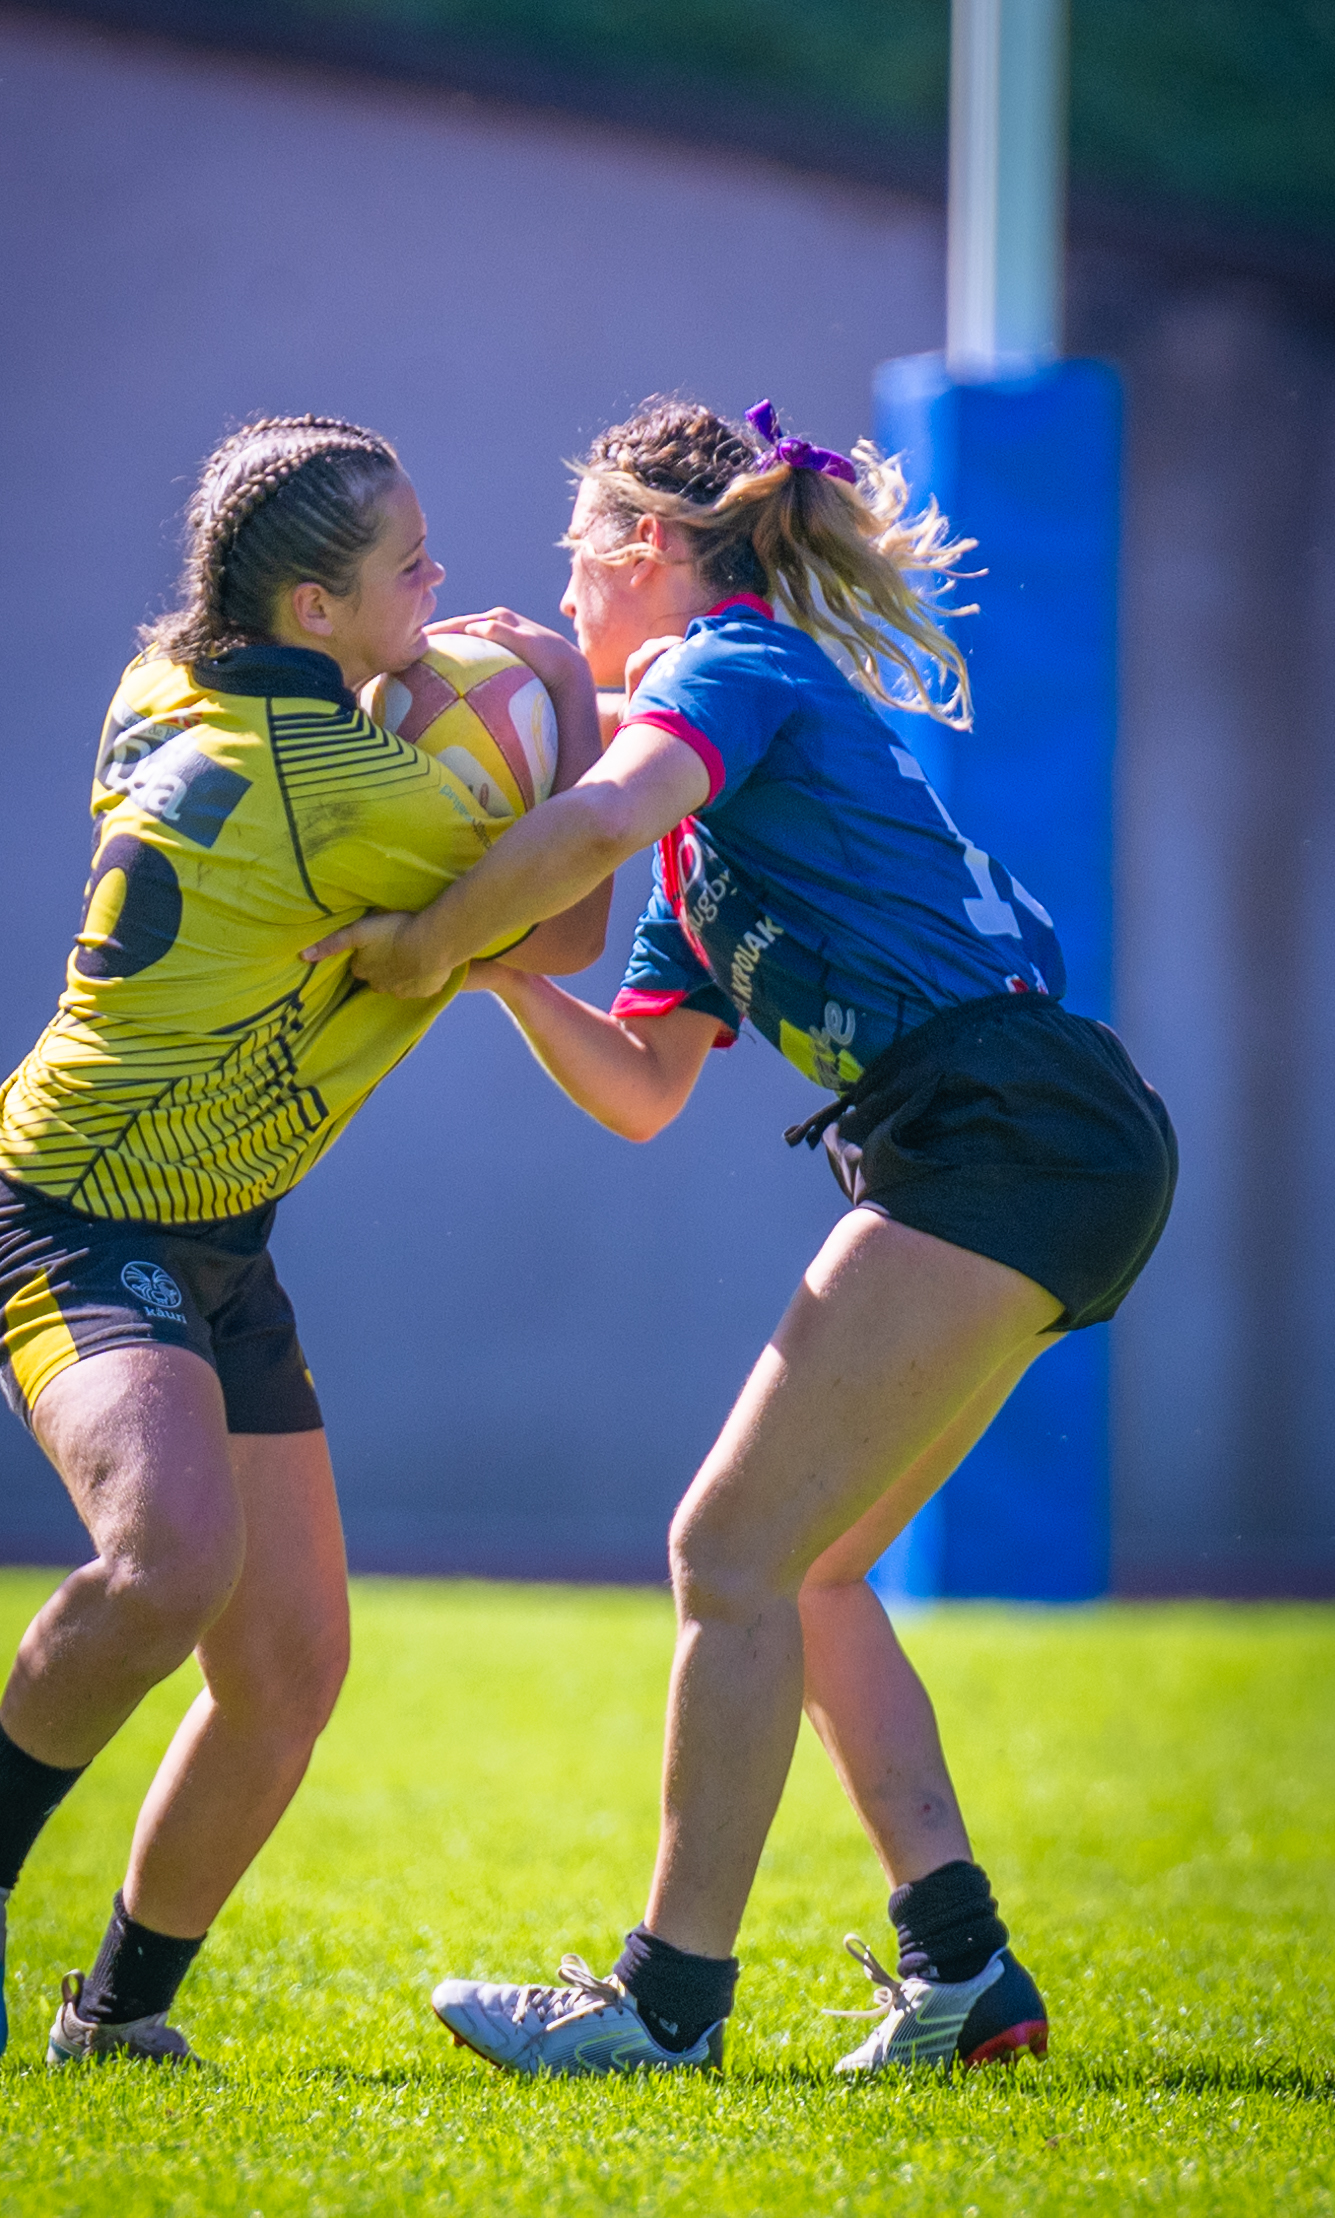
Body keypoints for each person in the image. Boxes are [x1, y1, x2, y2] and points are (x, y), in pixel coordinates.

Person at [304, 396, 1177, 2077]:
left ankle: (664, 2004)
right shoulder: (712, 821)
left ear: (645, 546)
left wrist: (419, 937)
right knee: (812, 1565)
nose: (557, 596)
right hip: (1029, 1138)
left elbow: (594, 819)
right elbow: (641, 1089)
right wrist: (494, 970)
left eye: (574, 559)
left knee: (727, 1550)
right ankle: (966, 1977)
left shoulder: (732, 664)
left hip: (1008, 1126)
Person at [0, 414, 606, 2066]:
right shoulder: (332, 789)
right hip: (73, 1213)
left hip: (213, 1226)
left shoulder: (171, 684)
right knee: (170, 1559)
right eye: (409, 567)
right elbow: (563, 919)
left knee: (287, 1664)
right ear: (309, 611)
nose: (445, 580)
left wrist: (435, 684)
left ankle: (118, 2021)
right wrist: (558, 694)